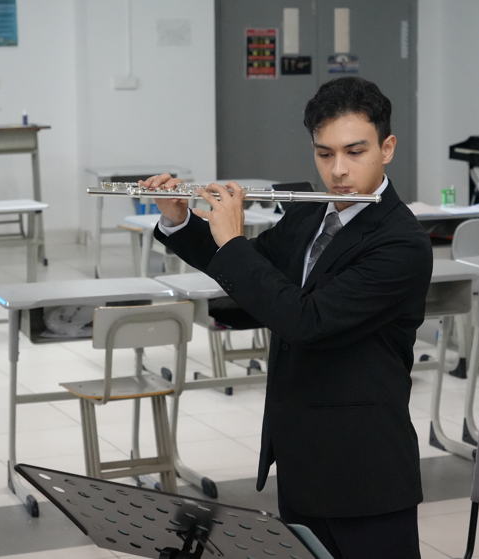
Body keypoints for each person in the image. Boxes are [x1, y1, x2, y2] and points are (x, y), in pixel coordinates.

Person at [146, 76, 433, 559]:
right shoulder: (307, 216)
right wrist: (181, 221)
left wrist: (232, 240)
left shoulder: (402, 243)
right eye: (324, 153)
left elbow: (306, 321)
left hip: (365, 470)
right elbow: (253, 278)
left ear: (387, 148)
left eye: (355, 152)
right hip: (302, 459)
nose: (338, 170)